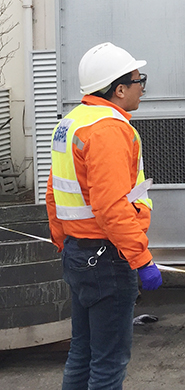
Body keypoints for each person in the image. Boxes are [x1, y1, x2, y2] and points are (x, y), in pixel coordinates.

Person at [46, 42, 162, 389]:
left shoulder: (72, 122)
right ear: (119, 89)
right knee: (109, 363)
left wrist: (63, 241)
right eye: (139, 80)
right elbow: (111, 206)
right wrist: (141, 259)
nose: (142, 87)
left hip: (79, 254)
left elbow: (53, 192)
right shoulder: (108, 129)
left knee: (82, 353)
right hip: (106, 259)